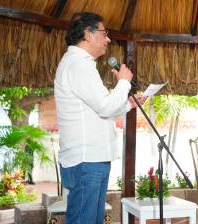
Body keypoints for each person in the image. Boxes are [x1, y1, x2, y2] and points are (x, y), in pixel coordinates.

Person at [54, 12, 145, 223]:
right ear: (88, 34)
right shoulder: (78, 64)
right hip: (86, 160)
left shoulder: (83, 65)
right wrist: (123, 82)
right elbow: (104, 107)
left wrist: (128, 104)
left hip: (94, 158)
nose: (108, 39)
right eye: (104, 34)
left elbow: (103, 110)